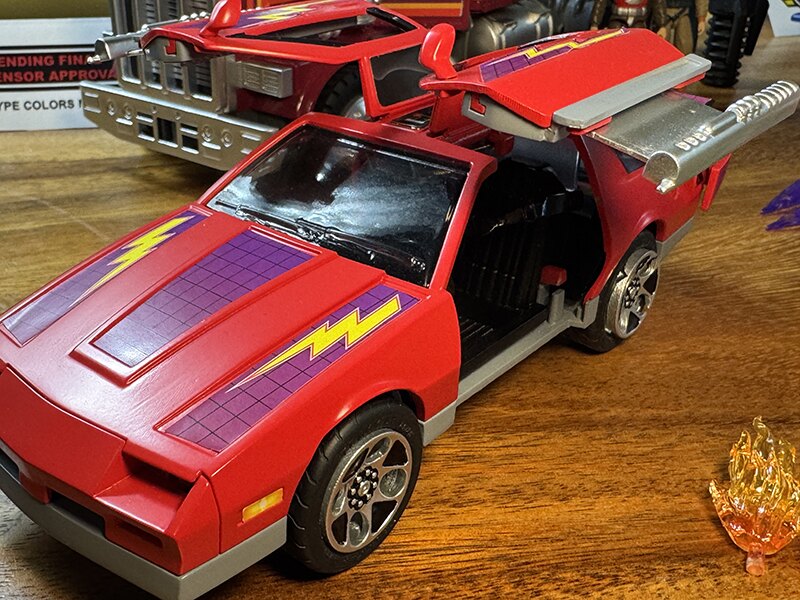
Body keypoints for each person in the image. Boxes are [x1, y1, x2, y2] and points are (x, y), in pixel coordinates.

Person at [590, 0, 668, 37]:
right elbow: (600, 3)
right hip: (617, 19)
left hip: (639, 21)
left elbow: (658, 3)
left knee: (639, 39)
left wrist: (662, 25)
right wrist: (595, 24)